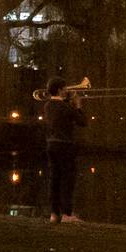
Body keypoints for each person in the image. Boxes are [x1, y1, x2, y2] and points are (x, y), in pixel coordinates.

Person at [36, 76, 89, 222]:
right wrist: (78, 105)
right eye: (65, 88)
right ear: (60, 90)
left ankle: (54, 213)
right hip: (65, 145)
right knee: (67, 180)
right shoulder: (67, 107)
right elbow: (83, 122)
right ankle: (67, 214)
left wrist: (68, 103)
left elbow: (60, 112)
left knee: (55, 179)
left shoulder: (48, 106)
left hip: (51, 145)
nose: (67, 90)